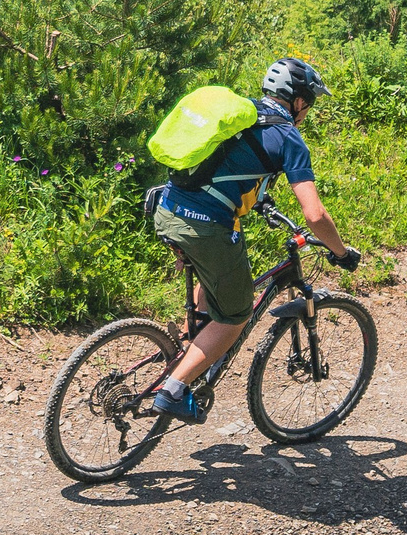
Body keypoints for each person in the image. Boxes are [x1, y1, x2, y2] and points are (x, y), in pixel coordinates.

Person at [149, 56, 359, 422]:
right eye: (309, 102)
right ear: (297, 100)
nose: (308, 110)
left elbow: (228, 167)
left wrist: (260, 200)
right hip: (205, 225)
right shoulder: (289, 137)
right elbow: (315, 215)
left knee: (213, 281)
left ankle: (183, 352)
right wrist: (340, 252)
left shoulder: (243, 115)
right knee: (235, 315)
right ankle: (174, 389)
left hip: (166, 208)